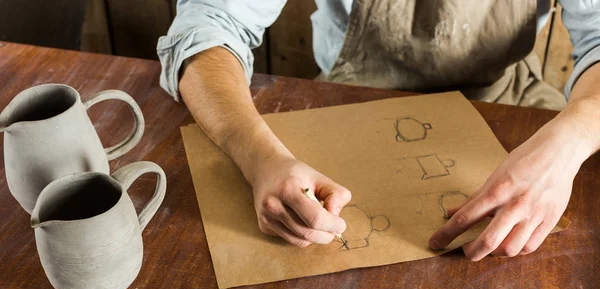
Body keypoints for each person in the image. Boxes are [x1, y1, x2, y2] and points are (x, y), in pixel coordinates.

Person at [158, 1, 600, 261]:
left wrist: (574, 137)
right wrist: (259, 157)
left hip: (502, 96)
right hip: (347, 94)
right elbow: (208, 26)